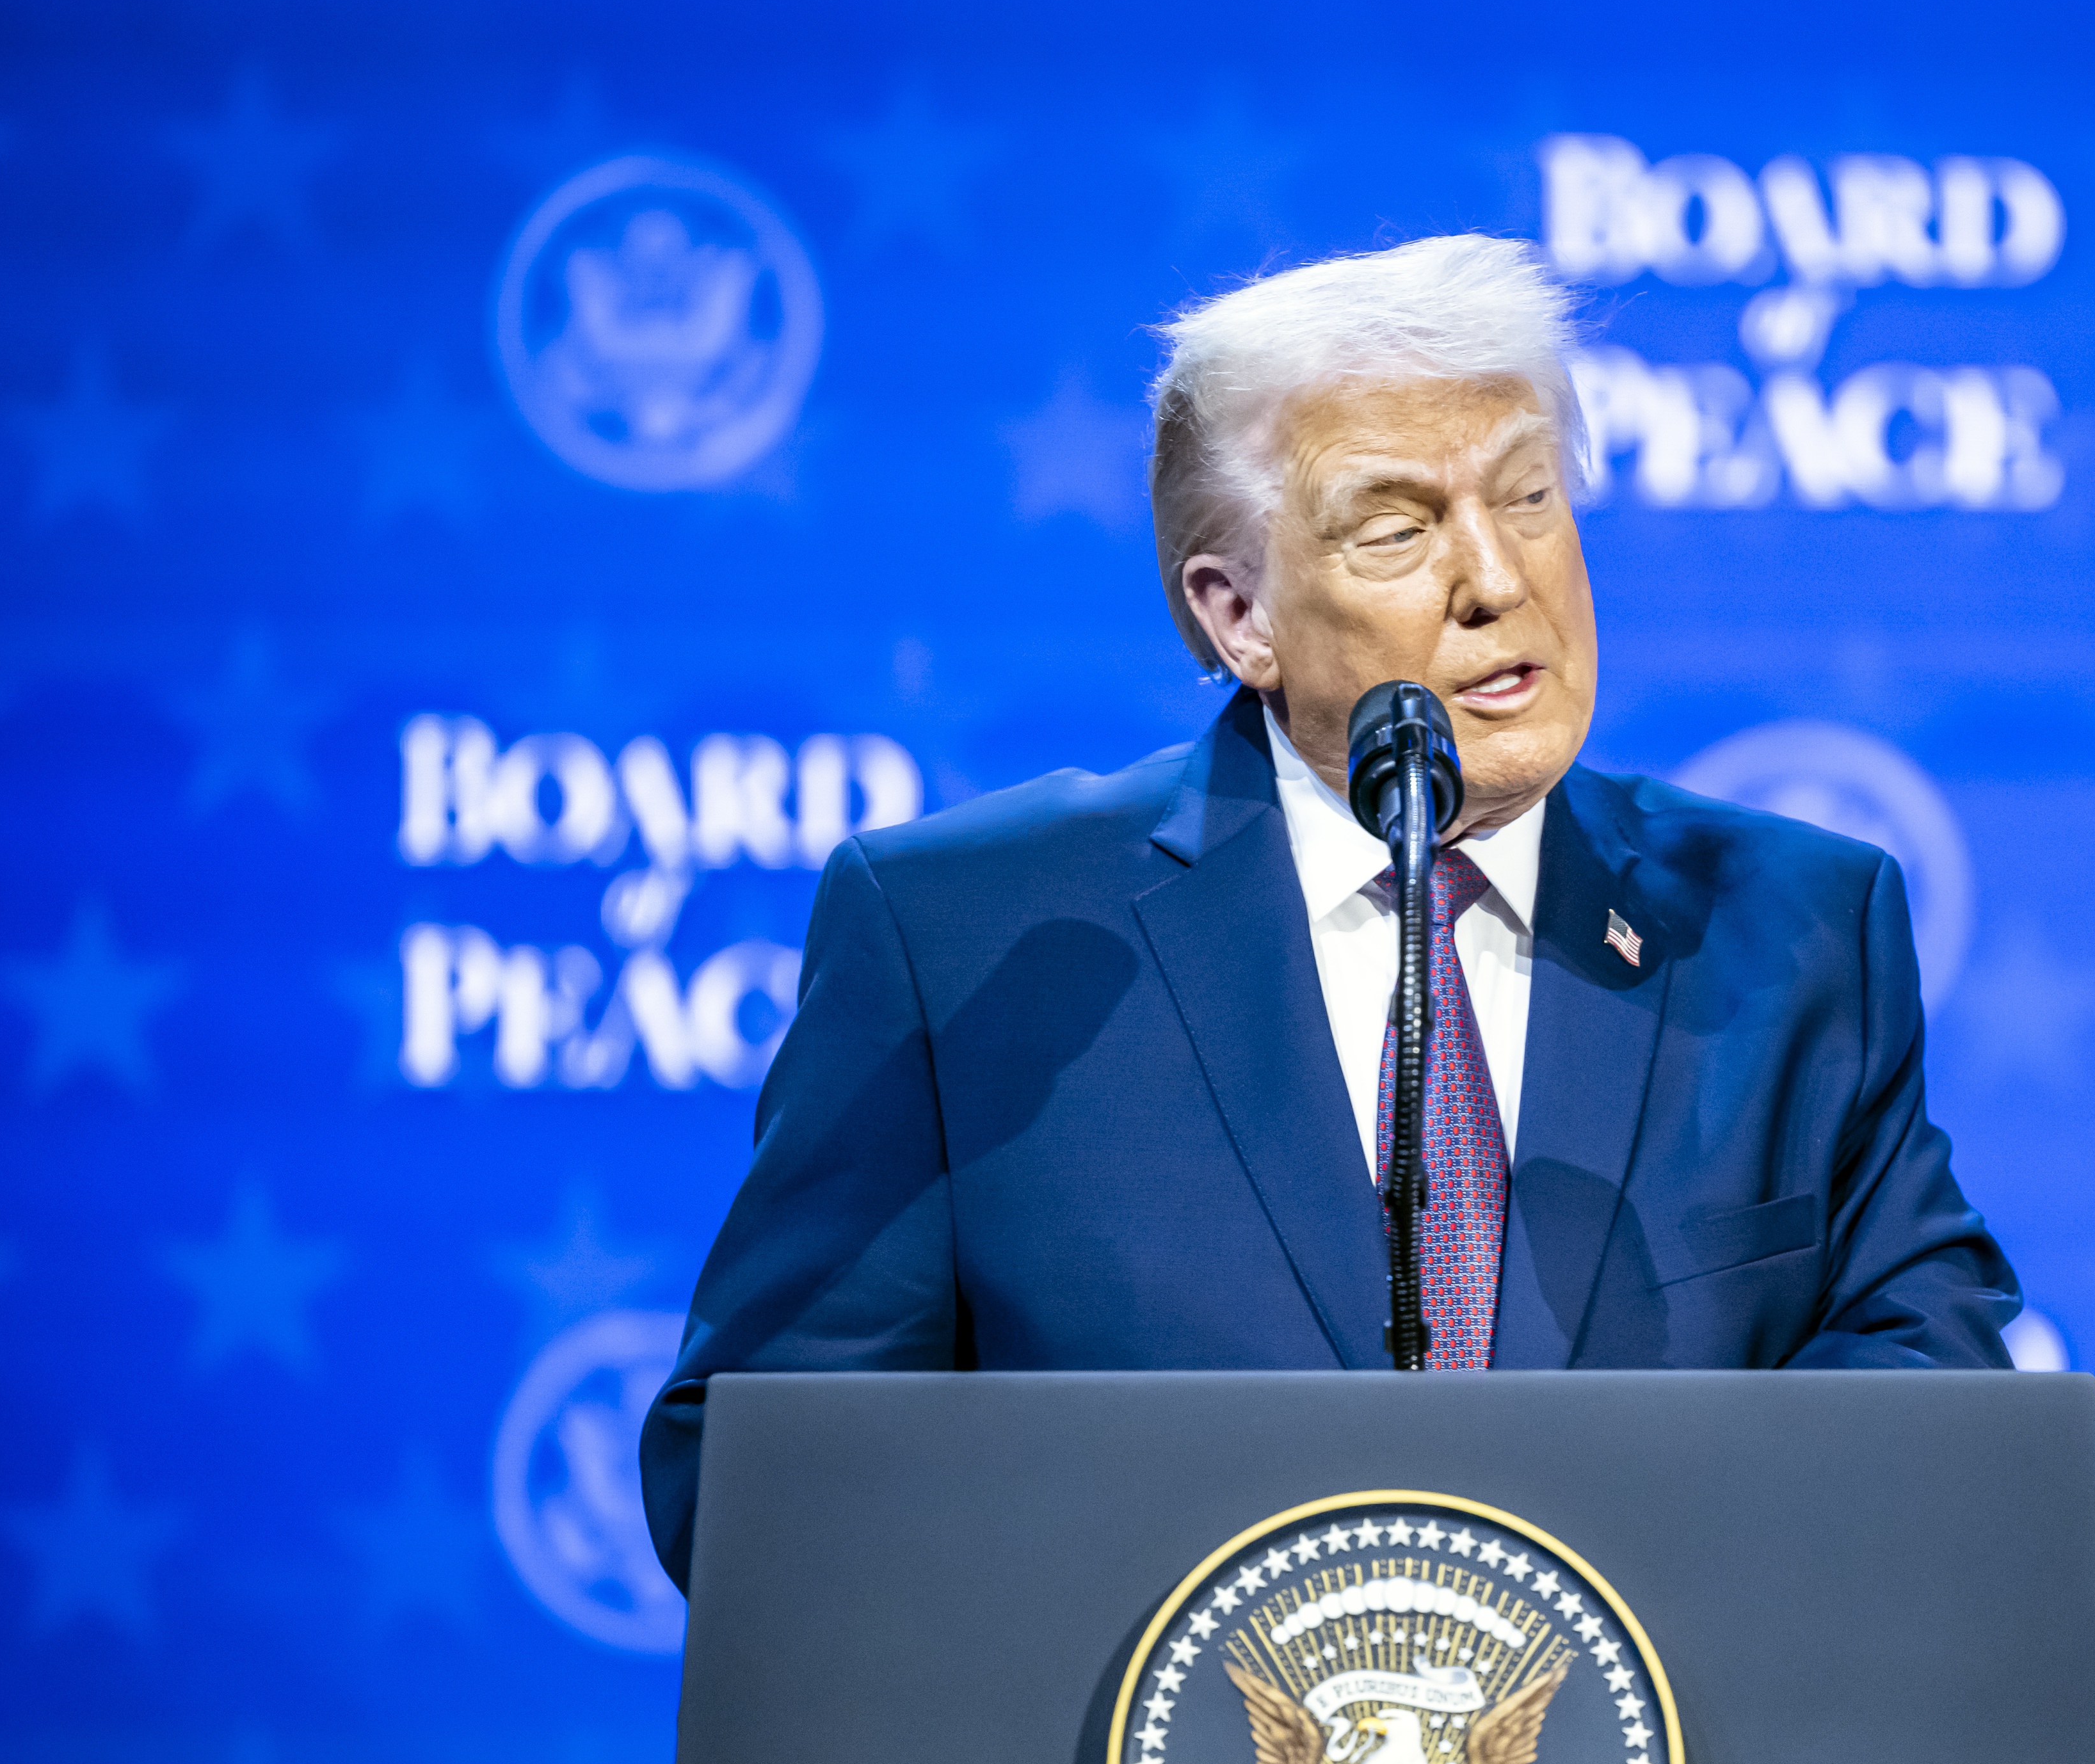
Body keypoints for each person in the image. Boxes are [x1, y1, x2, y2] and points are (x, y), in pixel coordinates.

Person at [639, 234, 2019, 1584]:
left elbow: (1929, 1364)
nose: (1495, 579)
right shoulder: (971, 942)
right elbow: (754, 1478)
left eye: (1528, 495)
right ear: (1239, 614)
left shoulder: (1791, 928)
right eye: (1397, 526)